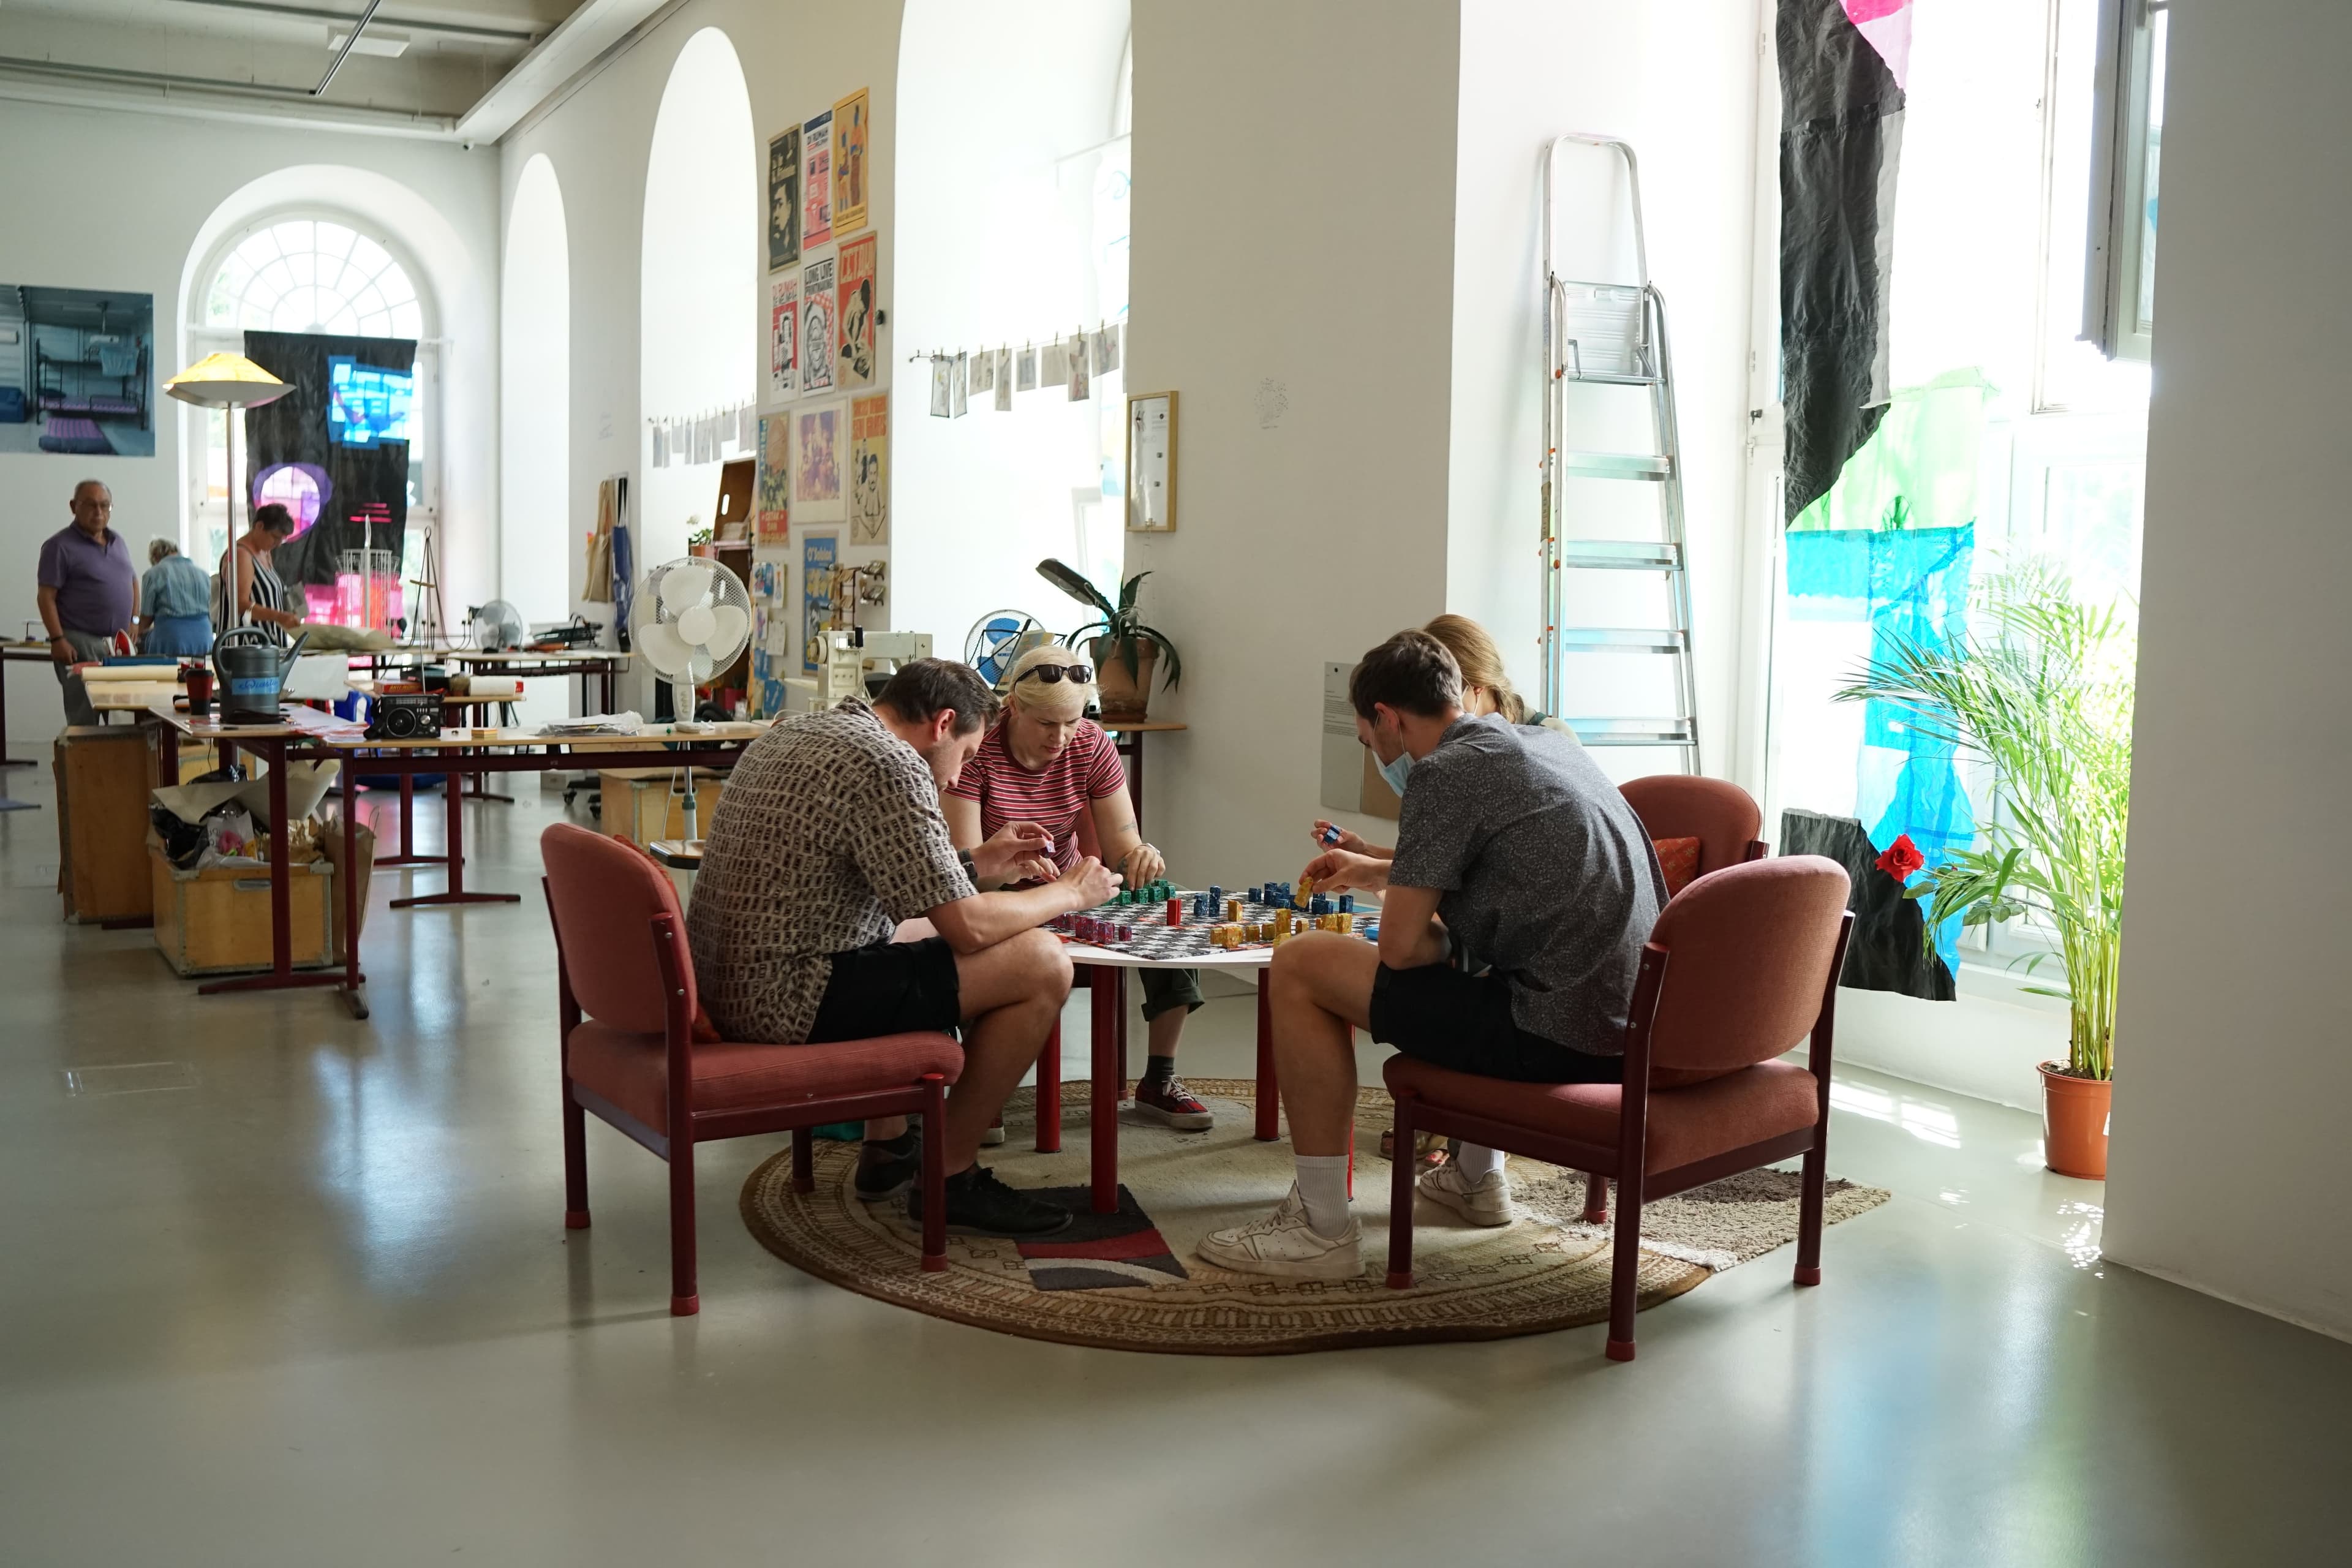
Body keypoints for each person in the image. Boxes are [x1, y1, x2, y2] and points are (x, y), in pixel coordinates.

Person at [1197, 630, 1666, 1280]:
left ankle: (1321, 1228)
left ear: (1387, 717)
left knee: (1302, 963)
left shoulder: (1444, 771)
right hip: (1628, 1026)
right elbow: (1497, 880)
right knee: (1472, 957)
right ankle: (1476, 1180)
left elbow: (1400, 947)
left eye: (1368, 741)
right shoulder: (1543, 743)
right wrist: (1388, 884)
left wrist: (1436, 939)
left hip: (1553, 1036)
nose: (1376, 755)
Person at [687, 658, 1122, 1237]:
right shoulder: (891, 763)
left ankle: (889, 1152)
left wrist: (980, 860)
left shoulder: (804, 729)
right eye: (966, 756)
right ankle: (952, 1174)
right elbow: (968, 927)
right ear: (943, 723)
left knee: (916, 936)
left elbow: (896, 880)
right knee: (1042, 961)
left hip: (728, 978)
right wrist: (1070, 891)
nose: (953, 779)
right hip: (785, 999)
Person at [943, 645, 1212, 1130]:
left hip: (1073, 885)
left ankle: (1159, 1080)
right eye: (1048, 723)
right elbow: (963, 867)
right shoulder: (978, 750)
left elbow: (1123, 847)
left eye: (1072, 721)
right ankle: (982, 1092)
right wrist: (1015, 871)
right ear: (1015, 707)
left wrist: (1141, 858)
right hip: (1000, 887)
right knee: (981, 929)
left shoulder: (1091, 742)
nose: (1062, 736)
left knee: (1166, 907)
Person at [35, 480, 136, 728]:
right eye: (90, 505)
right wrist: (58, 639)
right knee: (85, 720)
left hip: (117, 646)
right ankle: (85, 766)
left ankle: (115, 767)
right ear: (73, 507)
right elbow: (45, 597)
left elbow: (132, 581)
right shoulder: (59, 547)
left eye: (104, 505)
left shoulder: (118, 542)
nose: (98, 512)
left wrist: (134, 620)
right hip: (79, 643)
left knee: (123, 718)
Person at [1419, 613, 1578, 739]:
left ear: (1478, 685)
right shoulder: (1442, 744)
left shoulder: (1555, 737)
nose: (1438, 714)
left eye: (1444, 697)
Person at [214, 502, 303, 646]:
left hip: (266, 642)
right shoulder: (241, 555)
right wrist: (279, 616)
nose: (279, 544)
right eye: (275, 537)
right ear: (259, 526)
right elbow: (240, 605)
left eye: (282, 539)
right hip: (245, 645)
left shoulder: (265, 553)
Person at [137, 538, 214, 657]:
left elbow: (146, 618)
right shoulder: (203, 574)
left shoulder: (154, 573)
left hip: (171, 638)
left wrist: (134, 632)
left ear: (155, 557)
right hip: (204, 637)